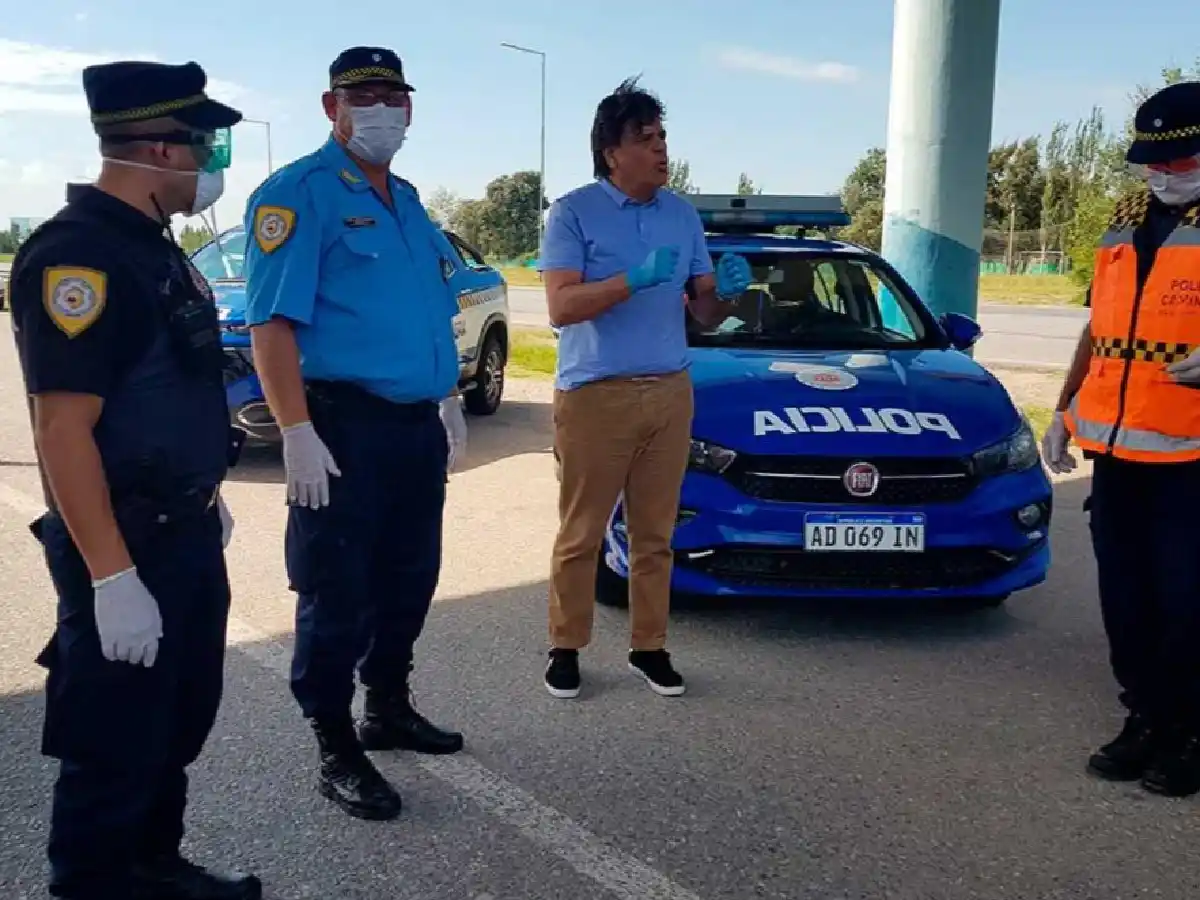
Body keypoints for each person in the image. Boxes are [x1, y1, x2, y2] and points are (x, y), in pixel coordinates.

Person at [8, 61, 260, 899]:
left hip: (183, 531)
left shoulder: (152, 247)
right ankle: (91, 882)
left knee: (176, 719)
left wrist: (208, 498)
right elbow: (61, 427)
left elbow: (169, 391)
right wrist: (112, 577)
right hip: (126, 543)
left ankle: (155, 865)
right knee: (113, 738)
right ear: (159, 148)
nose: (207, 165)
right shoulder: (78, 256)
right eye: (200, 146)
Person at [242, 46, 466, 823]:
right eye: (363, 94)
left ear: (411, 107)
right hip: (343, 427)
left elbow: (431, 306)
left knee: (410, 577)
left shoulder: (406, 198)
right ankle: (335, 743)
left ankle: (387, 706)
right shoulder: (297, 195)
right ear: (330, 106)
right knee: (337, 592)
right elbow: (269, 323)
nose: (381, 108)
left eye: (393, 94)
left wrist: (447, 398)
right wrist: (296, 430)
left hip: (413, 428)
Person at [538, 77, 752, 700]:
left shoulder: (681, 214)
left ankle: (649, 647)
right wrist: (630, 280)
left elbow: (704, 314)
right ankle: (565, 646)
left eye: (663, 136)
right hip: (595, 394)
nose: (661, 149)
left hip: (668, 391)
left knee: (655, 533)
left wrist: (727, 291)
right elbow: (560, 306)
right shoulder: (575, 212)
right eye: (646, 138)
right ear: (612, 152)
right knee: (582, 533)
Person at [1041, 80, 1200, 798]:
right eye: (1154, 162)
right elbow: (1098, 327)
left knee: (1186, 602)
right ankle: (1145, 718)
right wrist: (1063, 405)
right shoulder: (1123, 220)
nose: (1165, 173)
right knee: (1127, 600)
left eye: (1182, 159)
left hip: (1192, 458)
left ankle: (1188, 735)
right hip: (1116, 452)